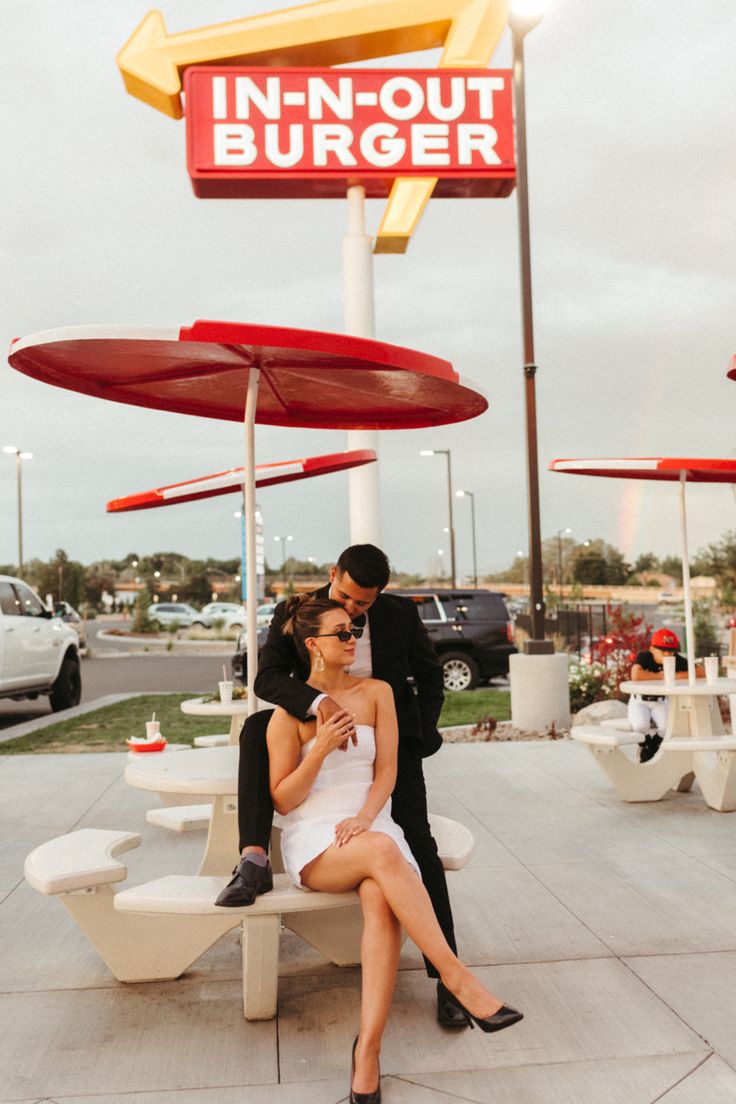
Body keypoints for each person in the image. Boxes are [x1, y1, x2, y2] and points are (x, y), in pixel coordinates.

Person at [268, 594, 523, 1101]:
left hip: (372, 821)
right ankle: (457, 978)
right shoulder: (288, 713)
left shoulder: (378, 692)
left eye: (355, 629)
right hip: (319, 838)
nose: (353, 638)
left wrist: (365, 817)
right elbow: (282, 800)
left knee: (380, 903)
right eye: (342, 632)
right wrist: (317, 750)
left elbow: (387, 771)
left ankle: (369, 1054)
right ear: (314, 644)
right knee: (383, 852)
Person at [216, 544, 465, 1028]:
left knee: (420, 841)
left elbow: (430, 674)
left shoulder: (399, 615)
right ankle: (254, 856)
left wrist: (420, 730)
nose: (353, 612)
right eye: (348, 598)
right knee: (255, 730)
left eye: (364, 605)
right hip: (319, 724)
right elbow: (265, 677)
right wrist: (317, 704)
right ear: (334, 575)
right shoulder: (303, 614)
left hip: (386, 734)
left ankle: (446, 980)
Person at [628, 628, 704, 762]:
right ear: (652, 649)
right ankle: (645, 748)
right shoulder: (645, 657)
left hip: (660, 701)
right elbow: (636, 675)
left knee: (667, 727)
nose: (668, 655)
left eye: (671, 651)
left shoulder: (675, 660)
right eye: (663, 651)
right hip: (639, 700)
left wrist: (673, 675)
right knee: (640, 726)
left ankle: (651, 747)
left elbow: (700, 672)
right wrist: (660, 676)